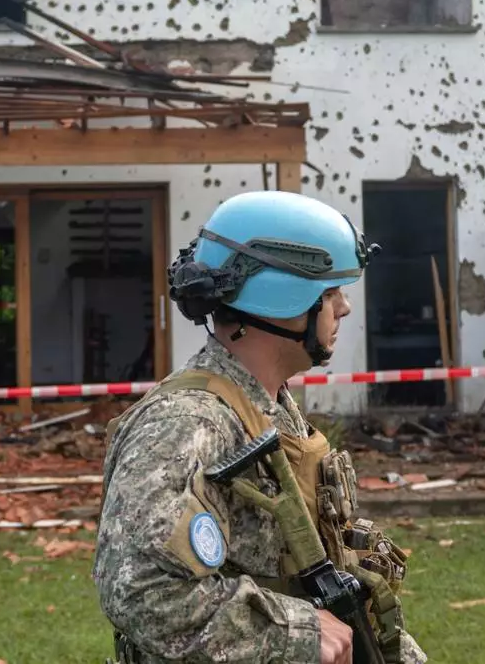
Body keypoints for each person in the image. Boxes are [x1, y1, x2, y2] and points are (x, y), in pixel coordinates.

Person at [93, 190, 427, 664]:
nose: (344, 308)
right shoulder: (187, 423)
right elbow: (142, 592)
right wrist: (297, 633)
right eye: (330, 292)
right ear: (280, 299)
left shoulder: (268, 407)